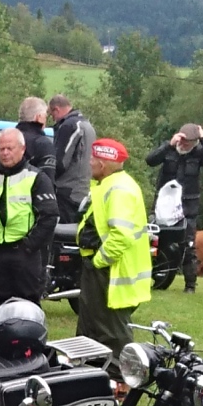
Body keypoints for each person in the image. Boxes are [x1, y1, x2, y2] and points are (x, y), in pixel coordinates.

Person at [73, 136, 153, 348]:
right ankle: (88, 365)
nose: (89, 162)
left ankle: (118, 369)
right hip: (102, 268)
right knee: (91, 327)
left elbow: (121, 235)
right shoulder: (108, 185)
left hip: (110, 271)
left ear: (102, 164)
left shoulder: (118, 190)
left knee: (111, 332)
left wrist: (98, 261)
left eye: (92, 159)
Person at [0, 122, 54, 307]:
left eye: (10, 148)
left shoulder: (36, 178)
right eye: (1, 149)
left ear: (22, 149)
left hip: (25, 253)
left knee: (28, 304)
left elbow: (50, 216)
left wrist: (29, 246)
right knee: (2, 304)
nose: (5, 153)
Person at [147, 123, 203, 292]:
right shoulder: (169, 149)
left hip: (188, 207)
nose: (184, 144)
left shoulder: (199, 153)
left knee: (188, 245)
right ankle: (152, 277)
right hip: (163, 205)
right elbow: (150, 160)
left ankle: (190, 285)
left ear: (195, 142)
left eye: (188, 142)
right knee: (154, 240)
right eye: (182, 140)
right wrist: (169, 145)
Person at [46, 94, 99, 230]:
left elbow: (61, 162)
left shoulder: (69, 126)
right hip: (83, 189)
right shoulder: (87, 125)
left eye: (52, 115)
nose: (53, 119)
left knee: (61, 233)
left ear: (56, 109)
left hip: (67, 191)